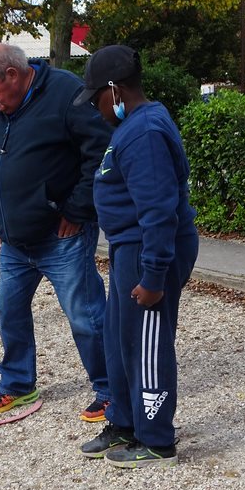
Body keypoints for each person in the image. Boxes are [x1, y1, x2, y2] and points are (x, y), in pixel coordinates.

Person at [0, 41, 112, 419]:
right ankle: (17, 384)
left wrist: (79, 210)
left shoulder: (66, 93)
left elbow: (100, 153)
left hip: (61, 235)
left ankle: (112, 388)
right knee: (8, 310)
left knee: (86, 316)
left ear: (13, 75)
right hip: (15, 240)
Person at [77, 45, 198, 468]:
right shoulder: (133, 128)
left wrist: (153, 276)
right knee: (118, 337)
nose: (96, 108)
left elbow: (158, 212)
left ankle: (156, 438)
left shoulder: (144, 132)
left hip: (148, 250)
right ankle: (124, 422)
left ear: (115, 90)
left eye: (97, 98)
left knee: (145, 343)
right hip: (129, 248)